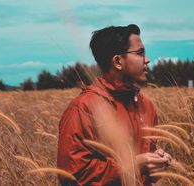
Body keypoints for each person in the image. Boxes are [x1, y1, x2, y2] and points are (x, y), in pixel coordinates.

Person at [57, 24, 172, 185]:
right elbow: (72, 175)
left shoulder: (146, 105)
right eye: (140, 53)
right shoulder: (83, 108)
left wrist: (157, 163)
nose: (147, 60)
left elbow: (146, 172)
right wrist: (132, 165)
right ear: (118, 61)